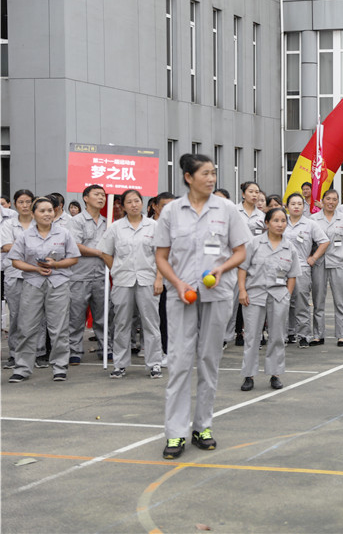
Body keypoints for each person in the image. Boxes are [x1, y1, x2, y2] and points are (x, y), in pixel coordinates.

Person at [155, 153, 251, 460]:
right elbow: (161, 257)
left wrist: (222, 268)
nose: (211, 179)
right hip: (181, 295)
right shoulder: (171, 212)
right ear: (189, 177)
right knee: (179, 362)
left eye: (213, 173)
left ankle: (203, 427)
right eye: (205, 174)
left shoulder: (226, 209)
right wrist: (177, 283)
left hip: (217, 293)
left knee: (209, 360)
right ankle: (175, 433)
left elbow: (240, 252)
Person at [8, 197, 80, 383]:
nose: (47, 214)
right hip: (33, 283)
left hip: (58, 283)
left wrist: (55, 264)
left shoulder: (64, 233)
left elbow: (74, 258)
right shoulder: (25, 236)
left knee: (59, 328)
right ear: (33, 214)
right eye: (42, 211)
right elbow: (15, 260)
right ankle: (22, 368)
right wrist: (35, 269)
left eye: (50, 210)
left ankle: (59, 367)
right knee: (27, 326)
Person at [98, 190, 163, 379]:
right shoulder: (115, 228)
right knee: (121, 323)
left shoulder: (154, 226)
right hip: (122, 281)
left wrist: (159, 279)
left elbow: (161, 255)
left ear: (142, 203)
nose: (134, 205)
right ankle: (120, 364)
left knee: (151, 323)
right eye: (129, 202)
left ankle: (154, 363)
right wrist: (116, 270)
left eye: (137, 201)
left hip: (148, 280)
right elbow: (105, 253)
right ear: (123, 206)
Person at [238, 207, 300, 391]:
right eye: (275, 220)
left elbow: (292, 275)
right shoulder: (254, 243)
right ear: (267, 223)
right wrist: (242, 290)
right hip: (254, 295)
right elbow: (242, 268)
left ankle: (275, 374)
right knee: (252, 336)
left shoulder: (290, 247)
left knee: (277, 336)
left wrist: (287, 295)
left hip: (278, 296)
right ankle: (248, 375)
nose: (280, 224)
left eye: (283, 221)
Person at [312, 190, 343, 345]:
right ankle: (318, 335)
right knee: (318, 300)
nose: (331, 202)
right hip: (319, 263)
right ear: (322, 200)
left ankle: (341, 335)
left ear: (338, 202)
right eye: (328, 199)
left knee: (340, 300)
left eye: (334, 199)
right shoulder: (313, 219)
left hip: (337, 262)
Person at [66, 184, 108, 365]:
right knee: (76, 316)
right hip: (79, 275)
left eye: (103, 195)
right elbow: (75, 246)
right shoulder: (76, 221)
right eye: (97, 194)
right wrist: (100, 253)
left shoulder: (107, 221)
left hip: (101, 275)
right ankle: (74, 350)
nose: (101, 198)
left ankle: (105, 348)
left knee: (103, 315)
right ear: (85, 198)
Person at [283, 193, 329, 346]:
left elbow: (324, 242)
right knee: (283, 301)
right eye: (293, 204)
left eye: (299, 204)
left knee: (301, 302)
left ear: (304, 207)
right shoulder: (281, 221)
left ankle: (303, 335)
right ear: (287, 206)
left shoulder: (310, 224)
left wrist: (314, 258)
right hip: (281, 268)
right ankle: (286, 333)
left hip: (301, 268)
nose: (296, 206)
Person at [1, 189, 35, 369]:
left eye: (28, 201)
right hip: (14, 274)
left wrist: (20, 245)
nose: (25, 205)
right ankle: (15, 354)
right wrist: (34, 245)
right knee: (15, 315)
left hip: (37, 273)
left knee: (37, 315)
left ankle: (38, 353)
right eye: (21, 202)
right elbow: (7, 246)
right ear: (15, 204)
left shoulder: (39, 222)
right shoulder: (8, 224)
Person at [230, 181, 266, 347]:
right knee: (233, 299)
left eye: (257, 192)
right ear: (243, 194)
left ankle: (255, 333)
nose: (254, 195)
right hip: (235, 260)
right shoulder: (234, 212)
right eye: (251, 191)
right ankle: (229, 334)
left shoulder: (262, 216)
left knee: (254, 297)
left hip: (256, 262)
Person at [153, 192, 177, 366]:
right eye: (164, 206)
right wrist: (159, 278)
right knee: (159, 317)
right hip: (155, 278)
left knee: (173, 317)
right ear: (155, 207)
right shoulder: (151, 226)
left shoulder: (182, 227)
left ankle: (172, 351)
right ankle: (163, 350)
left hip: (176, 279)